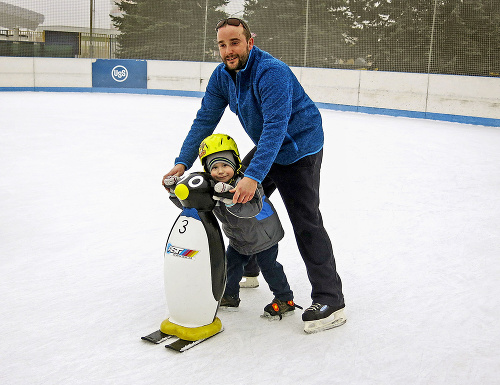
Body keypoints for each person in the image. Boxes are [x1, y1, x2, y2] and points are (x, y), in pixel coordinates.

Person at [163, 18, 345, 333]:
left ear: (250, 41)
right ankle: (249, 267)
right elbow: (205, 118)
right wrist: (182, 162)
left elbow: (276, 126)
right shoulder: (223, 75)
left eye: (235, 42)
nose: (228, 50)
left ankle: (331, 300)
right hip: (268, 147)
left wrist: (253, 176)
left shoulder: (270, 72)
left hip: (299, 147)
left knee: (306, 221)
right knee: (236, 199)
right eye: (222, 44)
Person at [166, 133, 299, 320]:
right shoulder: (211, 186)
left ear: (235, 163)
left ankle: (285, 299)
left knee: (270, 267)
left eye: (225, 165)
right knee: (231, 265)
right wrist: (174, 192)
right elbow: (194, 204)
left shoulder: (249, 182)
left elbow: (250, 209)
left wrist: (229, 198)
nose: (221, 171)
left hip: (263, 235)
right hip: (238, 237)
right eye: (215, 167)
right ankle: (229, 296)